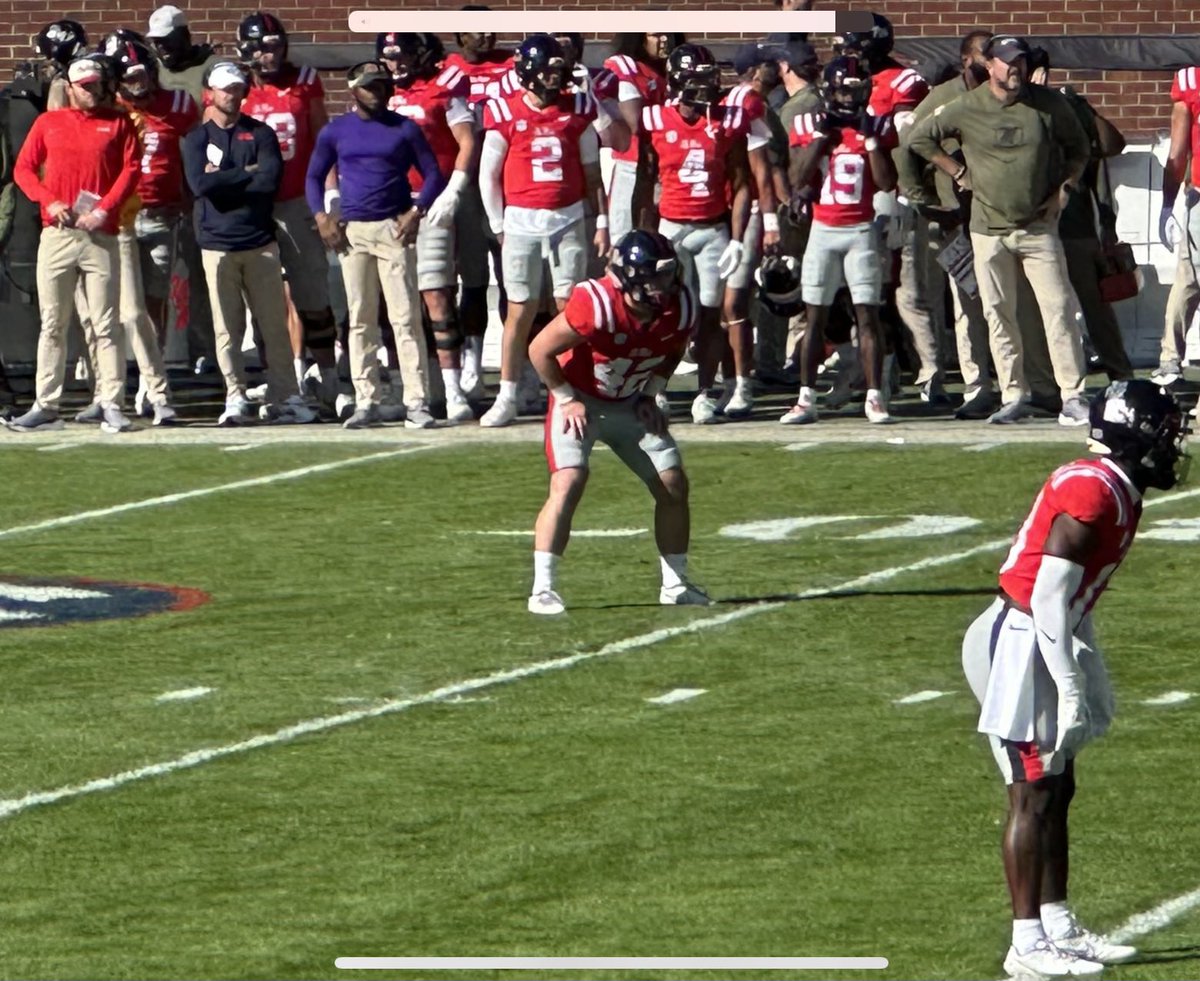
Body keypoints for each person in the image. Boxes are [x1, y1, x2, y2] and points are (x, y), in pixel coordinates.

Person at [961, 378, 1187, 979]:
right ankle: (1026, 943)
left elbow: (1066, 605)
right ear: (1135, 436)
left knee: (1058, 787)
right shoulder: (1093, 491)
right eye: (1165, 433)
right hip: (1020, 639)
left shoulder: (1118, 489)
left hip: (1050, 632)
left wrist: (1084, 668)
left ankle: (1057, 924)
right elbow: (1045, 598)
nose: (1173, 445)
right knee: (1032, 790)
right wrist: (1068, 684)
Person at [906, 35, 1092, 428]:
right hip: (987, 230)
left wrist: (1065, 188)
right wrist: (957, 171)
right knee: (998, 314)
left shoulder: (1048, 104)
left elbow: (1079, 148)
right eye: (1007, 61)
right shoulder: (966, 106)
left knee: (1058, 310)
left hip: (1038, 227)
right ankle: (1012, 395)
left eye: (1020, 61)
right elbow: (919, 137)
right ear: (989, 65)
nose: (1015, 68)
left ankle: (1072, 395)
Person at [525, 229, 709, 615]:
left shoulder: (681, 306)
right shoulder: (597, 304)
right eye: (655, 277)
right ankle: (542, 589)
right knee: (568, 481)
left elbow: (674, 346)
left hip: (629, 403)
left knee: (673, 484)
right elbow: (539, 349)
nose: (664, 286)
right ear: (631, 277)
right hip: (580, 400)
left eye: (667, 275)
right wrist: (566, 399)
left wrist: (651, 392)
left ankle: (676, 584)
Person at [306, 60, 445, 430]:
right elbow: (314, 176)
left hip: (393, 228)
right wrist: (321, 216)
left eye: (382, 85)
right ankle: (366, 400)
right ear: (354, 90)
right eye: (369, 86)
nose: (377, 92)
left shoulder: (404, 128)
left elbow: (434, 173)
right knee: (360, 318)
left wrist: (417, 211)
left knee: (405, 317)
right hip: (353, 232)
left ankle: (416, 401)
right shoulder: (337, 131)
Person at [633, 43, 767, 426]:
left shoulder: (727, 121)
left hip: (712, 229)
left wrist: (738, 239)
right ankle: (657, 389)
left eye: (709, 80)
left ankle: (704, 392)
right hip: (670, 228)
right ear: (678, 81)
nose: (706, 88)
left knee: (710, 315)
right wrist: (641, 236)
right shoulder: (655, 119)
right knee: (664, 314)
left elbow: (741, 183)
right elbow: (644, 181)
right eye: (697, 80)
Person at [477, 34, 605, 428]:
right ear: (529, 72)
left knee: (571, 309)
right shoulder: (503, 109)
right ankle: (508, 395)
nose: (556, 77)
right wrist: (498, 225)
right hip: (521, 220)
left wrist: (601, 221)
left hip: (567, 217)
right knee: (520, 310)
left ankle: (573, 389)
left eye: (558, 69)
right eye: (549, 70)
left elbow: (591, 172)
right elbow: (488, 175)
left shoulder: (578, 107)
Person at [8, 52, 139, 434]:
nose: (92, 91)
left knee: (105, 323)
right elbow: (23, 169)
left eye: (96, 84)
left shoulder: (119, 123)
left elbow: (131, 170)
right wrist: (49, 201)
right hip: (58, 233)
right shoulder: (49, 123)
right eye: (85, 87)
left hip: (100, 234)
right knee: (53, 322)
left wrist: (105, 209)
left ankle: (110, 401)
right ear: (70, 89)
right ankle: (46, 404)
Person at [181, 61, 316, 425]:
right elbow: (200, 186)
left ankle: (286, 394)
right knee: (227, 328)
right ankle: (235, 395)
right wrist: (245, 173)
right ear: (210, 93)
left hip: (259, 240)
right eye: (226, 89)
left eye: (238, 88)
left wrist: (224, 178)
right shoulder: (197, 139)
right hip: (216, 243)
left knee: (273, 326)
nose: (232, 95)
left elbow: (268, 181)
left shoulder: (260, 134)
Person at [783, 56, 895, 425]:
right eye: (844, 91)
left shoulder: (876, 124)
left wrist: (871, 138)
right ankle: (805, 398)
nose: (850, 98)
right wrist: (821, 137)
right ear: (830, 92)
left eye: (856, 90)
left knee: (867, 315)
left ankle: (875, 397)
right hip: (823, 229)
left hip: (861, 230)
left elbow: (887, 182)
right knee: (814, 317)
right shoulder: (811, 124)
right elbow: (797, 178)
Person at [238, 11, 340, 406]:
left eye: (276, 46)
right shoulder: (234, 87)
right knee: (261, 297)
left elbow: (323, 140)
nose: (271, 55)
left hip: (298, 199)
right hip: (253, 204)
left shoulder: (304, 80)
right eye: (263, 48)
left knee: (311, 291)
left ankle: (328, 374)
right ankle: (277, 377)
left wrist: (330, 198)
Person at [895, 29, 996, 420]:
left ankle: (1017, 382)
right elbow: (907, 144)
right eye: (985, 55)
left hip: (997, 214)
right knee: (962, 304)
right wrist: (923, 199)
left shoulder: (1003, 96)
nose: (992, 62)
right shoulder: (943, 98)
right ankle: (974, 384)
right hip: (953, 217)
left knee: (1000, 304)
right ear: (967, 59)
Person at [379, 31, 477, 423]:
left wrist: (454, 189)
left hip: (431, 202)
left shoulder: (442, 88)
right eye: (389, 56)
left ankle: (453, 390)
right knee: (393, 303)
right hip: (388, 205)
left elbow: (467, 141)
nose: (396, 63)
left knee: (437, 296)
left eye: (403, 54)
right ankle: (407, 386)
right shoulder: (378, 93)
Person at [1028, 48, 1133, 384]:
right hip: (1030, 223)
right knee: (1041, 308)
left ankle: (1120, 375)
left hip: (1074, 221)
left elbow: (1112, 144)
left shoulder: (1067, 105)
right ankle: (1047, 381)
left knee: (1093, 302)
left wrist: (1079, 106)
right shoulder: (1007, 108)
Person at [104, 35, 190, 426]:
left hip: (160, 214)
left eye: (142, 74)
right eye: (129, 76)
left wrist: (188, 196)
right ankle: (120, 383)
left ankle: (147, 380)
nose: (137, 83)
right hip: (120, 218)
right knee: (124, 307)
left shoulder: (178, 103)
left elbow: (195, 151)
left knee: (155, 303)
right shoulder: (109, 109)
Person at [603, 33, 675, 244]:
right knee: (622, 234)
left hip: (662, 161)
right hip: (631, 161)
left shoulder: (666, 70)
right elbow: (634, 122)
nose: (664, 40)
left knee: (655, 231)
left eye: (667, 34)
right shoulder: (626, 66)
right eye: (655, 35)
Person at [1156, 63, 1200, 386]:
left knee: (1189, 278)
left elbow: (1178, 151)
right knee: (1188, 277)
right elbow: (1178, 152)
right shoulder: (1191, 80)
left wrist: (1168, 203)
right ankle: (1170, 357)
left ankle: (1170, 359)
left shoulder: (1192, 80)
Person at [145, 4, 219, 105]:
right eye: (156, 41)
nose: (161, 46)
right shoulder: (153, 72)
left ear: (185, 36)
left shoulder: (215, 68)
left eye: (167, 40)